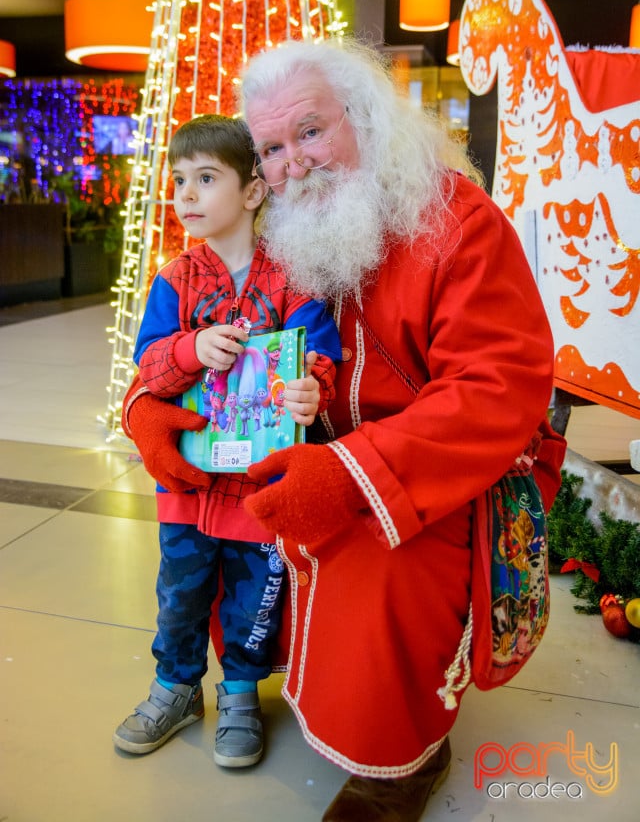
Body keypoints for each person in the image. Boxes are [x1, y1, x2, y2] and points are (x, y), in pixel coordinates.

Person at [123, 41, 566, 821]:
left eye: (311, 131)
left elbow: (498, 388)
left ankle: (399, 765)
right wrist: (150, 413)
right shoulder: (279, 239)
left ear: (364, 118)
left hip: (444, 467)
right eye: (272, 148)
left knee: (375, 554)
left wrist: (352, 473)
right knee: (218, 542)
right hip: (323, 448)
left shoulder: (458, 221)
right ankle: (252, 684)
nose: (293, 162)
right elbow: (200, 346)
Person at [113, 114, 341, 769]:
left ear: (251, 191)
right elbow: (149, 362)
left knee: (254, 598)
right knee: (179, 592)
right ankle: (174, 686)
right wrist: (190, 348)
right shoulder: (174, 281)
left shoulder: (293, 278)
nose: (185, 194)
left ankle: (240, 691)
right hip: (187, 482)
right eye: (179, 179)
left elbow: (318, 356)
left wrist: (311, 390)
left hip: (260, 491)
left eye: (205, 178)